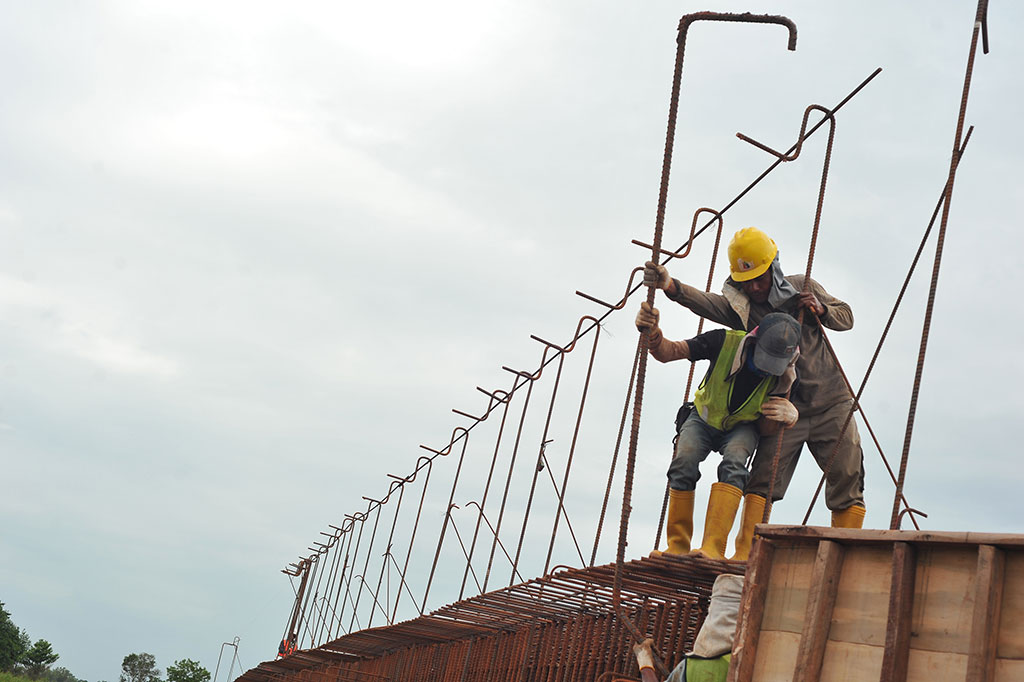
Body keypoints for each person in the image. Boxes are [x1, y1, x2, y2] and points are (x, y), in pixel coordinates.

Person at [644, 226, 866, 561]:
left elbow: (846, 317)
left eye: (760, 279)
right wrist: (670, 287)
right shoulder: (744, 309)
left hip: (831, 403)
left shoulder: (801, 287)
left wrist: (821, 310)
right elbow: (708, 304)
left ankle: (849, 553)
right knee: (762, 478)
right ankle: (744, 553)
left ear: (773, 270)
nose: (755, 287)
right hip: (782, 407)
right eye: (747, 281)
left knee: (847, 475)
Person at [635, 303, 800, 560]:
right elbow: (669, 352)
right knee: (683, 461)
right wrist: (653, 334)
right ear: (753, 342)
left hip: (742, 426)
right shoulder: (723, 341)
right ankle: (678, 545)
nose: (767, 369)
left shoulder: (784, 376)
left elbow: (766, 429)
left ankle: (713, 547)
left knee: (735, 464)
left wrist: (788, 417)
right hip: (703, 418)